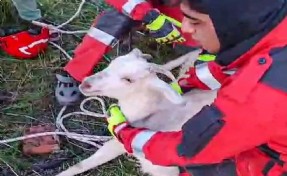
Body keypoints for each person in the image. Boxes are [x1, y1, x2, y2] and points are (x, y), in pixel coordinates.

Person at [106, 0, 287, 175]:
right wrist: (188, 82)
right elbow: (243, 62)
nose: (185, 28)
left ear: (232, 24)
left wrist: (125, 133)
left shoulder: (255, 98)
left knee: (200, 166)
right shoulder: (275, 24)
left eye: (195, 21)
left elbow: (188, 148)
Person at [60, 0, 232, 105]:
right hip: (152, 7)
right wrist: (149, 16)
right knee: (113, 20)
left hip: (193, 17)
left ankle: (188, 85)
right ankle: (74, 72)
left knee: (216, 53)